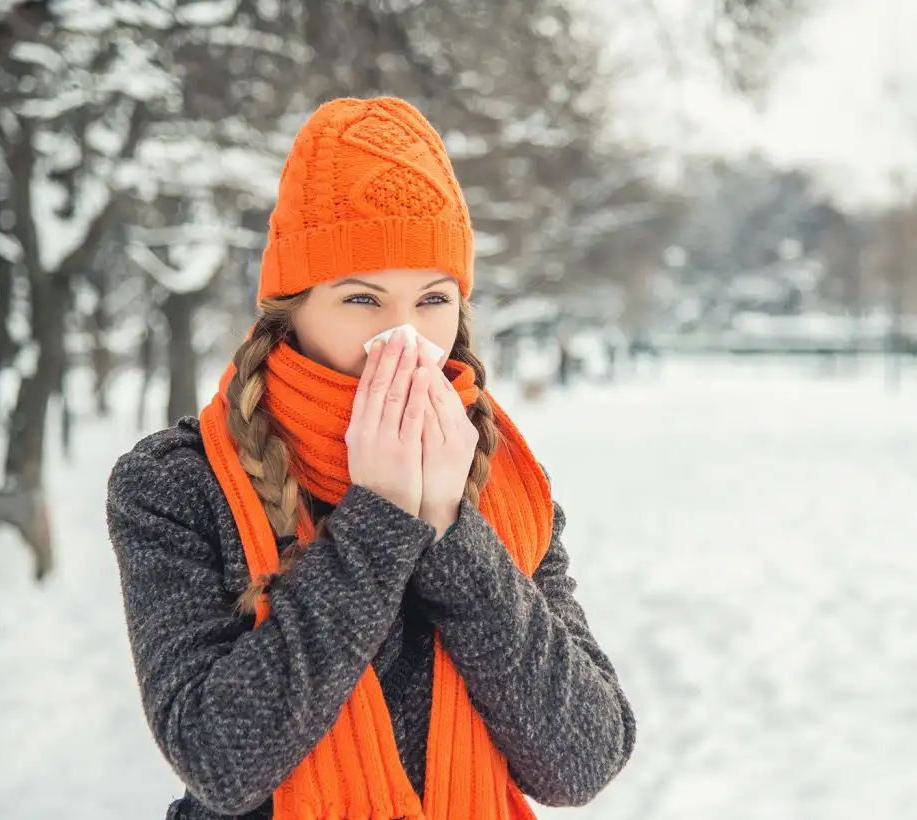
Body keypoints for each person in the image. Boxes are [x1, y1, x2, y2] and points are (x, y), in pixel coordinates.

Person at [105, 97, 636, 820]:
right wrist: (380, 522)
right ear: (290, 309)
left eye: (432, 300)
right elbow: (219, 760)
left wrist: (451, 526)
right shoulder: (176, 484)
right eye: (362, 298)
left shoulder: (506, 484)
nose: (406, 338)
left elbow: (583, 761)